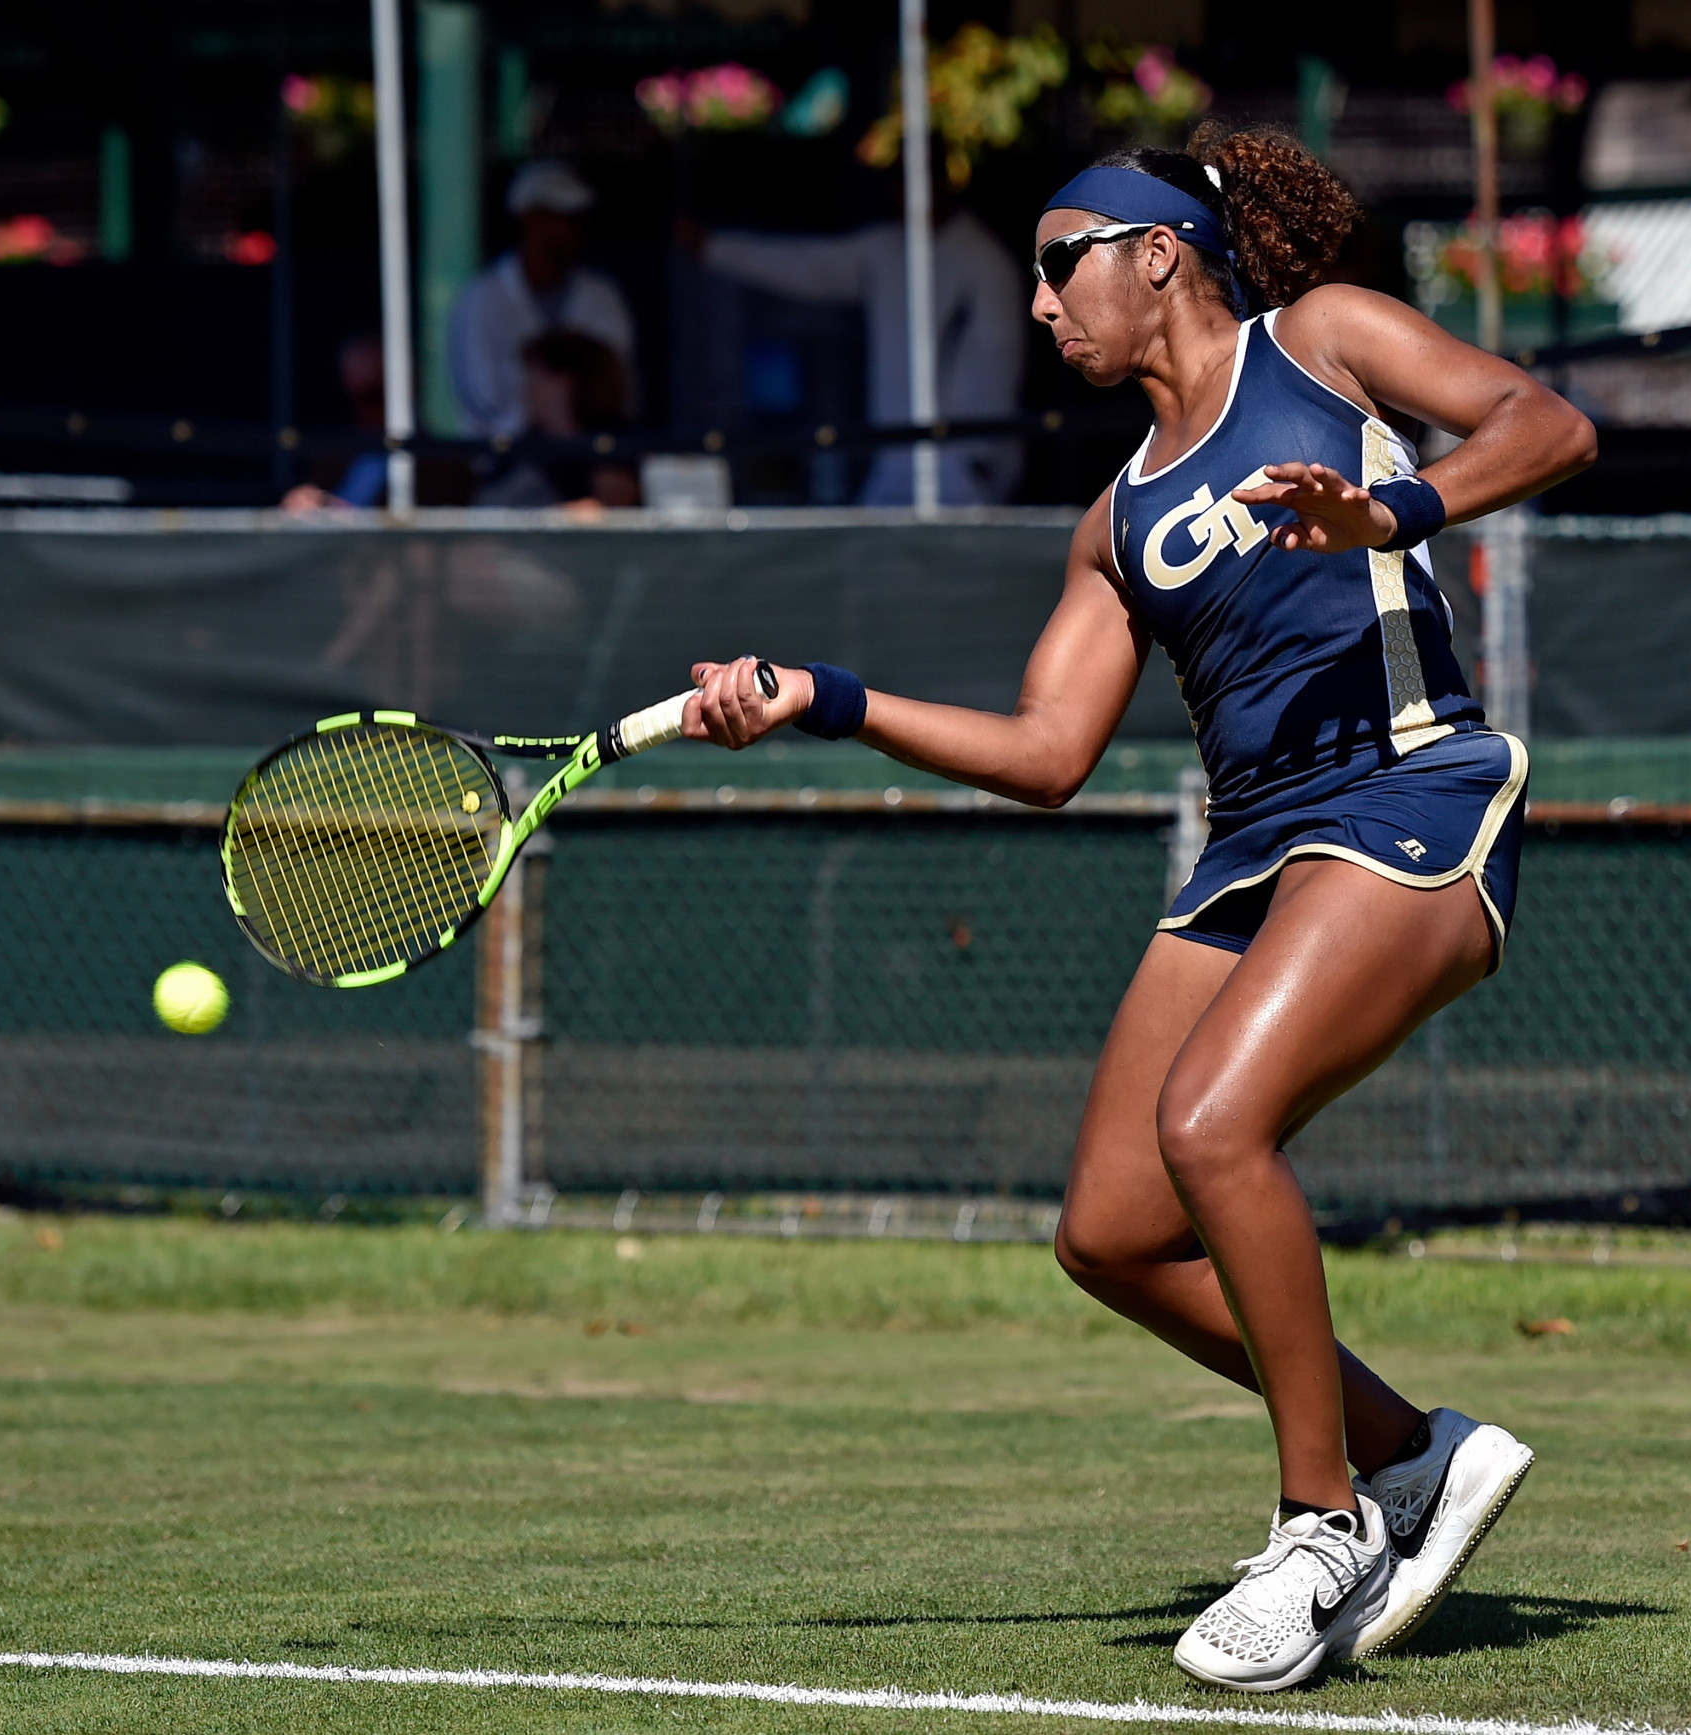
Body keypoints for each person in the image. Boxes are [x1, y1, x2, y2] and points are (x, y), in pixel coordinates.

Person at [678, 124, 1594, 1693]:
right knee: (1107, 1230)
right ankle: (1408, 1456)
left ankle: (1322, 1522)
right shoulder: (1112, 522)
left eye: (1057, 262)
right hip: (1255, 845)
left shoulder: (1326, 342)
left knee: (1213, 1124)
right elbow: (1045, 754)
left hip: (1413, 792)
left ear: (1156, 250)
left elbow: (1550, 424)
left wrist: (1401, 513)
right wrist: (827, 695)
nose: (1038, 302)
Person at [697, 200, 1028, 505]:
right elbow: (808, 265)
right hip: (892, 465)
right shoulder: (883, 249)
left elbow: (1000, 363)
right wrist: (711, 247)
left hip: (962, 470)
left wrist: (980, 461)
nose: (903, 193)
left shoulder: (984, 260)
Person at [448, 162, 637, 439]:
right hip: (502, 462)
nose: (572, 229)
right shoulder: (480, 299)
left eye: (577, 218)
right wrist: (542, 410)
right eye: (560, 217)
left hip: (588, 456)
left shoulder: (602, 295)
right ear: (529, 219)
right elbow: (482, 401)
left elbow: (616, 388)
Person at [471, 330, 641, 512]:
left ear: (567, 382)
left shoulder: (612, 443)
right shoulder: (522, 446)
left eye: (536, 378)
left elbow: (610, 508)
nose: (525, 391)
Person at [282, 334, 390, 514]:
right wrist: (310, 501)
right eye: (358, 398)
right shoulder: (333, 453)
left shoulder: (429, 458)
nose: (366, 412)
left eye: (374, 397)